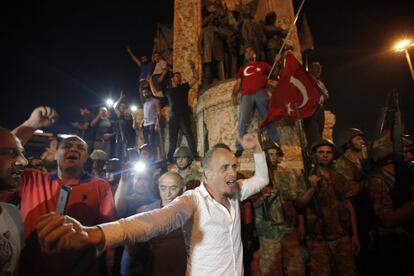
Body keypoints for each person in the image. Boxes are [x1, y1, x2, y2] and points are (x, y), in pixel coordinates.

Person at [37, 133, 269, 276]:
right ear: (207, 173)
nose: (233, 172)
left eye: (234, 166)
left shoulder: (236, 192)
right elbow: (151, 223)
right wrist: (93, 234)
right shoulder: (192, 201)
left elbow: (262, 179)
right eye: (225, 167)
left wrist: (257, 148)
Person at [18, 134, 115, 275]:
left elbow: (107, 232)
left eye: (80, 147)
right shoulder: (31, 179)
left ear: (86, 158)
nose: (74, 149)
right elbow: (5, 158)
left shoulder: (101, 186)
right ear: (55, 155)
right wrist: (30, 125)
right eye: (67, 146)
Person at [0, 106, 57, 275]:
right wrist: (30, 124)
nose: (24, 161)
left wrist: (33, 124)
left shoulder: (12, 215)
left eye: (22, 153)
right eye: (10, 153)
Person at [302, 139, 359, 276]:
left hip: (341, 237)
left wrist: (355, 235)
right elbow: (300, 205)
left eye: (328, 152)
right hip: (318, 240)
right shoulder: (305, 178)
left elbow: (348, 205)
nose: (325, 155)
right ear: (315, 155)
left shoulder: (339, 177)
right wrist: (312, 188)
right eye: (321, 152)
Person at [253, 141, 306, 275]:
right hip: (268, 231)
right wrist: (261, 195)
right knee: (271, 269)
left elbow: (296, 200)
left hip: (288, 227)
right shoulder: (255, 178)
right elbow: (250, 205)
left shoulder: (287, 174)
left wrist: (301, 224)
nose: (274, 157)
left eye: (276, 154)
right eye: (270, 154)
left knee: (295, 268)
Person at [365, 133, 414, 275]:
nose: (410, 157)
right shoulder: (378, 181)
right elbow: (386, 219)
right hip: (393, 243)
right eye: (406, 153)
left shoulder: (404, 176)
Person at [121, 172, 187, 276]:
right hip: (154, 266)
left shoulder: (189, 211)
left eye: (173, 189)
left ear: (183, 190)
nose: (167, 194)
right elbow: (132, 247)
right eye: (163, 188)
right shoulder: (149, 211)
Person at [148, 61, 199, 162]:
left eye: (179, 76)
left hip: (184, 116)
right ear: (172, 79)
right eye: (176, 76)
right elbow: (155, 93)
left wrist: (193, 68)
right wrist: (150, 82)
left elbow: (196, 78)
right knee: (173, 139)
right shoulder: (168, 91)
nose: (178, 78)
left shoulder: (184, 87)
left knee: (189, 135)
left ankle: (195, 155)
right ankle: (169, 158)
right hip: (173, 118)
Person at [232, 46, 278, 157]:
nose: (248, 53)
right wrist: (233, 93)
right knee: (242, 119)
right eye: (246, 52)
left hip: (260, 92)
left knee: (268, 118)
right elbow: (238, 82)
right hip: (246, 95)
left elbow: (274, 72)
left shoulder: (262, 65)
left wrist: (277, 61)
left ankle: (274, 143)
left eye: (250, 50)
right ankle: (239, 146)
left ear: (255, 54)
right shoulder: (242, 68)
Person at [304, 62, 329, 147]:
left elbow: (326, 96)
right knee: (312, 131)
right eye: (316, 67)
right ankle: (314, 149)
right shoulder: (306, 80)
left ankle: (318, 146)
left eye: (320, 68)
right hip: (311, 108)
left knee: (319, 130)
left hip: (320, 107)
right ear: (310, 69)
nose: (319, 70)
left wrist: (320, 91)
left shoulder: (320, 83)